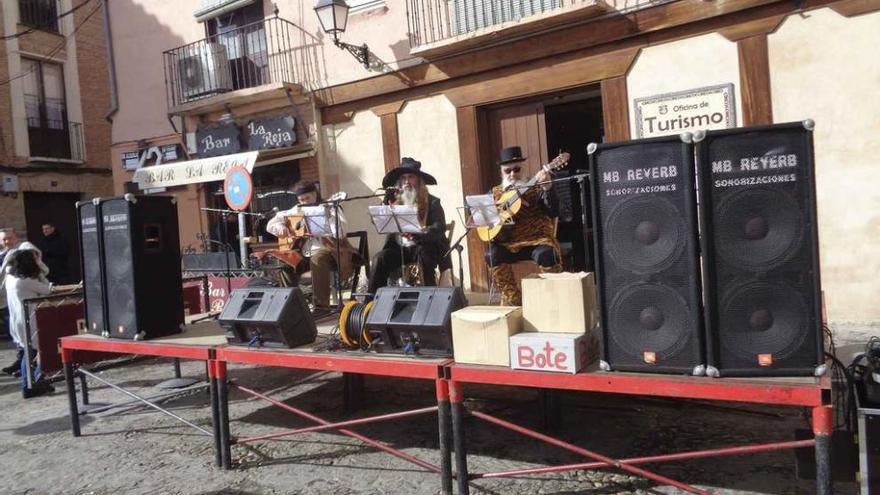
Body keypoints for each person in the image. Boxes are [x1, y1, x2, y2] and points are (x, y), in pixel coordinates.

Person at [266, 181, 358, 315]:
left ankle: (321, 307)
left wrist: (329, 218)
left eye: (307, 198)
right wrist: (282, 229)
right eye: (301, 199)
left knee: (318, 258)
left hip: (330, 251)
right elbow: (271, 224)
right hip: (304, 253)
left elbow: (341, 232)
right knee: (285, 263)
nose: (304, 202)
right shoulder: (297, 209)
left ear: (315, 194)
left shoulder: (331, 208)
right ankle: (292, 307)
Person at [485, 146, 561, 306]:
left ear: (523, 168)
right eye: (508, 171)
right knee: (492, 254)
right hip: (508, 242)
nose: (512, 174)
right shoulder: (494, 193)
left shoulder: (537, 187)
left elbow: (554, 211)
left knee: (547, 254)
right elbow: (483, 217)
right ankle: (512, 297)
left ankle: (552, 297)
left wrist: (548, 188)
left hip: (536, 240)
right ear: (501, 172)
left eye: (517, 169)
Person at [368, 157, 451, 293]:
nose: (407, 181)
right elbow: (377, 221)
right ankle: (371, 303)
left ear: (418, 180)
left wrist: (419, 233)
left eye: (411, 177)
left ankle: (428, 299)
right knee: (379, 259)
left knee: (424, 259)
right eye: (403, 178)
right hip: (399, 248)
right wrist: (385, 203)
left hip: (424, 247)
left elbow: (439, 228)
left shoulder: (433, 202)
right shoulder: (394, 200)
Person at [4, 248, 54, 398]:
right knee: (31, 353)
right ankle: (29, 385)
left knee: (29, 352)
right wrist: (39, 271)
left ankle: (34, 381)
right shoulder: (25, 282)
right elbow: (48, 289)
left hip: (17, 320)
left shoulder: (11, 278)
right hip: (28, 320)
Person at [0, 229, 19, 341]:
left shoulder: (22, 253)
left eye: (10, 238)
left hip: (14, 294)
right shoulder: (1, 255)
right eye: (4, 239)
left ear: (15, 238)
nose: (7, 241)